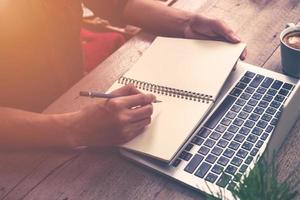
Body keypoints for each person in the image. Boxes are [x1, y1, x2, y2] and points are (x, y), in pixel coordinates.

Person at [0, 0, 246, 150]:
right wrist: (74, 128)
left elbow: (118, 2)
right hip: (22, 147)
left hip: (76, 99)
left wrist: (186, 22)